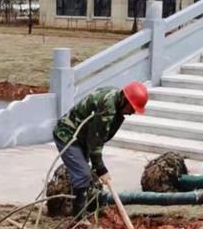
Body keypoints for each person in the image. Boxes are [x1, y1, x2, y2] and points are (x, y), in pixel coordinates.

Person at [52, 82, 148, 220]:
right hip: (67, 135)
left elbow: (96, 139)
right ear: (124, 99)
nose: (132, 112)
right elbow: (95, 143)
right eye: (132, 108)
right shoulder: (108, 109)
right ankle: (79, 218)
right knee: (83, 175)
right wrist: (101, 169)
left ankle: (80, 209)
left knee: (83, 177)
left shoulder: (115, 98)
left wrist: (99, 168)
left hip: (81, 139)